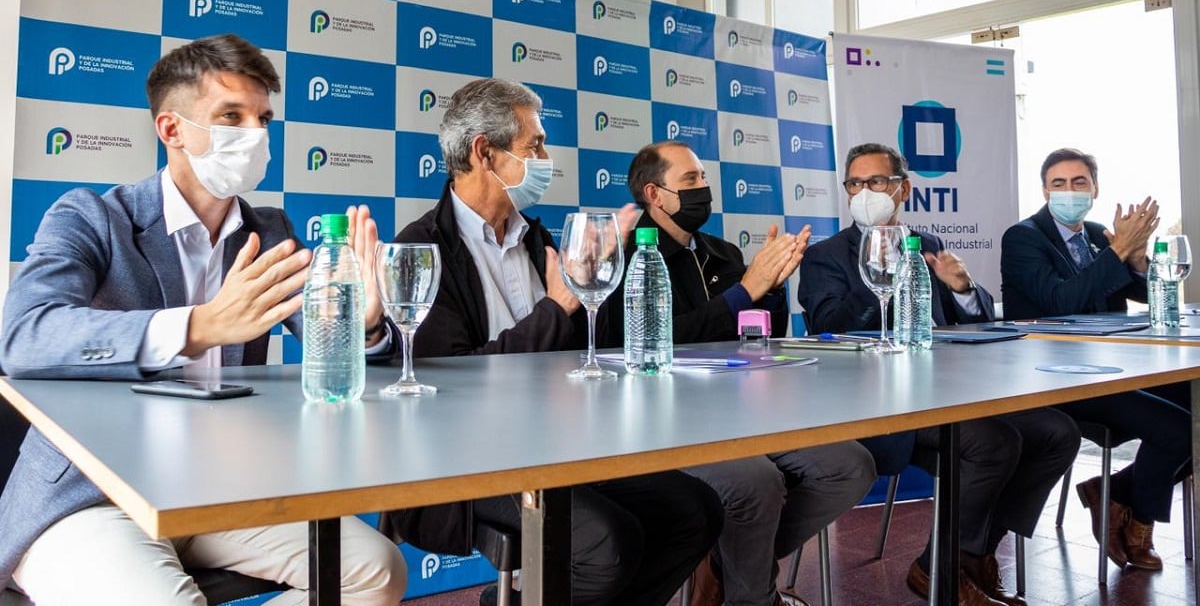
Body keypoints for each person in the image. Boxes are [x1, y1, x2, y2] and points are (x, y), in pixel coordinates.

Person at [0, 35, 407, 604]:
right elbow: (24, 337)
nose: (256, 135)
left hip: (213, 490)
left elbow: (329, 352)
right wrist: (200, 326)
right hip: (91, 498)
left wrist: (359, 325)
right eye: (231, 117)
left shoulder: (269, 230)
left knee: (376, 571)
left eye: (263, 118)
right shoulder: (90, 216)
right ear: (172, 130)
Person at [384, 78, 723, 606]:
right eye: (534, 146)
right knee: (608, 543)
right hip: (470, 459)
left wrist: (598, 287)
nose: (546, 158)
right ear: (484, 152)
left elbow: (596, 352)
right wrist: (560, 305)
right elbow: (447, 380)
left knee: (696, 511)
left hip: (564, 444)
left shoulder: (542, 241)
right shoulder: (422, 248)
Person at [798, 143, 1080, 606]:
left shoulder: (926, 245)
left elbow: (976, 322)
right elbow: (828, 327)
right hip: (875, 401)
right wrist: (879, 276)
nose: (865, 192)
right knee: (993, 442)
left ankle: (971, 555)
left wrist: (964, 288)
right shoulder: (826, 255)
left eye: (877, 182)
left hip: (946, 390)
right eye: (855, 183)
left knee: (1056, 431)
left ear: (903, 188)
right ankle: (940, 571)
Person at [596, 141, 876, 606]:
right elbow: (649, 343)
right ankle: (754, 598)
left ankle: (724, 560)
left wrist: (771, 289)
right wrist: (746, 290)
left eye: (704, 177)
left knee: (850, 465)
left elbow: (760, 338)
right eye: (690, 180)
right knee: (756, 482)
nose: (704, 188)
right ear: (654, 193)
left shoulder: (722, 253)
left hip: (745, 411)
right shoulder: (624, 256)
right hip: (665, 422)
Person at [1001, 147, 1191, 571]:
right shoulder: (1023, 238)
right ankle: (1138, 520)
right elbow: (1060, 301)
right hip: (1053, 377)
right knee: (1179, 429)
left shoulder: (1099, 235)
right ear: (1045, 191)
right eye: (1059, 184)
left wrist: (1138, 258)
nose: (1070, 191)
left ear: (1095, 189)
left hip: (1114, 369)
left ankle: (1114, 492)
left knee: (1197, 407)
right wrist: (1118, 251)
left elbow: (1142, 294)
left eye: (1079, 182)